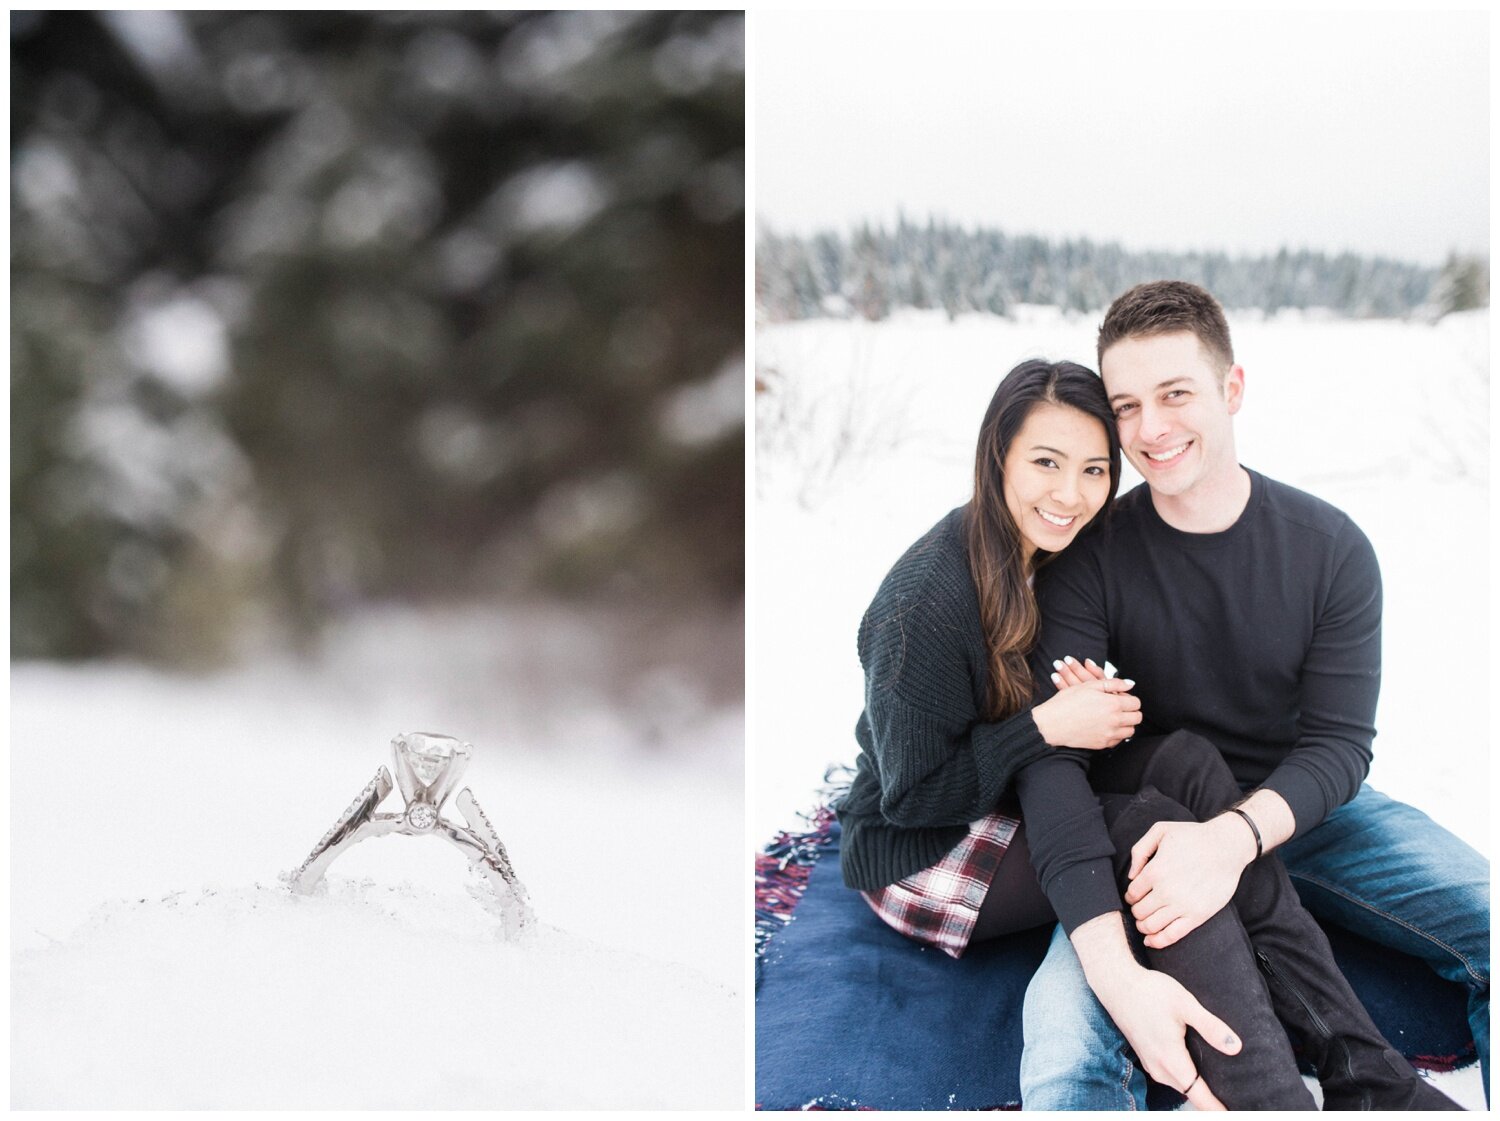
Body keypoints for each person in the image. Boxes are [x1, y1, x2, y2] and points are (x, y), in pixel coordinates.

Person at [834, 358, 1455, 1109]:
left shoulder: (1042, 556)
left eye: (1094, 468)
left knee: (1190, 767)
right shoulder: (923, 607)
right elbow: (910, 797)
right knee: (1157, 832)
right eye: (1046, 463)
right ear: (996, 455)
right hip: (928, 848)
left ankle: (1367, 1070)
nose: (1070, 494)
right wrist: (1041, 728)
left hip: (996, 792)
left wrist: (1083, 712)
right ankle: (1265, 1095)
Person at [1017, 280, 1487, 1109]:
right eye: (1127, 406)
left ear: (1232, 389)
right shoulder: (1089, 557)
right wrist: (1115, 934)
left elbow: (1340, 746)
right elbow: (1056, 751)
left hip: (1298, 812)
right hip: (1147, 837)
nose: (1152, 428)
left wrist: (1233, 840)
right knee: (1063, 1049)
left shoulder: (1330, 550)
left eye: (1176, 393)